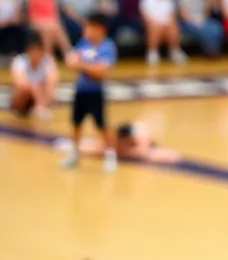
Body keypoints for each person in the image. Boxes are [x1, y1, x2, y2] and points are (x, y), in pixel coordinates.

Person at [62, 15, 118, 172]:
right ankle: (74, 154)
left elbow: (100, 72)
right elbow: (70, 62)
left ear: (100, 29)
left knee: (102, 125)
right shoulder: (83, 43)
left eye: (90, 27)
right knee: (76, 123)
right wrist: (87, 67)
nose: (86, 31)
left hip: (96, 92)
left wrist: (81, 66)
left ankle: (110, 155)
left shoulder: (107, 46)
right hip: (81, 90)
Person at [58, 121, 182, 164]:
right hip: (115, 141)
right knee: (98, 150)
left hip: (142, 142)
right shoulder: (113, 135)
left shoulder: (141, 137)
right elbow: (99, 148)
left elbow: (142, 154)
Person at [10, 35, 58, 120]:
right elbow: (20, 82)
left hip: (41, 95)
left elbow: (52, 80)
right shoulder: (20, 61)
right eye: (32, 51)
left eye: (37, 51)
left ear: (42, 52)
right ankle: (39, 108)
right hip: (23, 97)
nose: (35, 55)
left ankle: (42, 107)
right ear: (28, 51)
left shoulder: (47, 61)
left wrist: (45, 98)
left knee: (49, 84)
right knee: (31, 87)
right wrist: (35, 88)